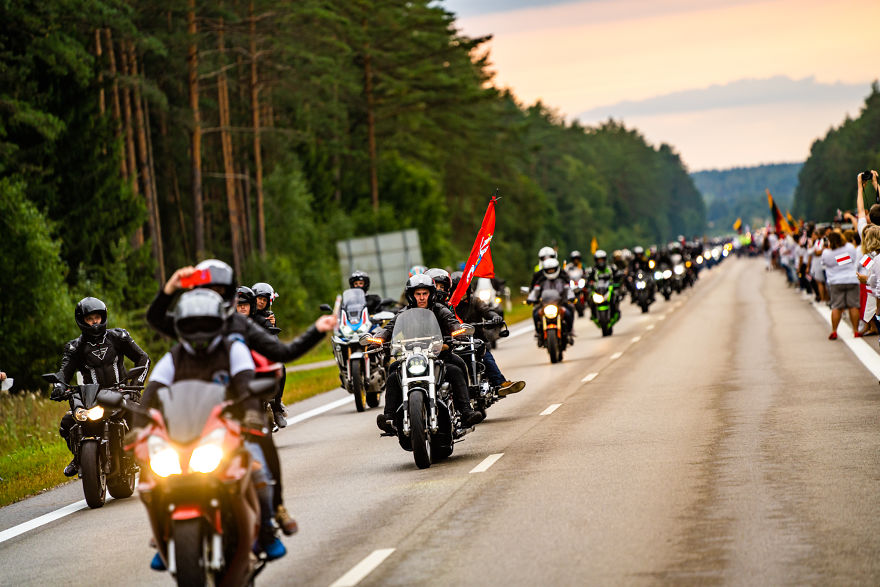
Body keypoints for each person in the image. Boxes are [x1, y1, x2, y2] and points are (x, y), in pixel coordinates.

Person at [146, 259, 336, 537]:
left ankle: (276, 508)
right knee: (155, 473)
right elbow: (155, 321)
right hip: (188, 415)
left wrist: (317, 329)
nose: (212, 295)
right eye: (206, 289)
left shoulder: (238, 326)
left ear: (229, 293)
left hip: (238, 408)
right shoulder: (187, 324)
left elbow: (283, 352)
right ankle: (164, 531)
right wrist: (169, 288)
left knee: (262, 451)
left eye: (219, 290)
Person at [138, 289, 284, 567]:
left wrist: (252, 414)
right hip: (182, 431)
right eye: (192, 325)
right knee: (151, 475)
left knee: (258, 470)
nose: (199, 331)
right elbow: (151, 394)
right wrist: (137, 427)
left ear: (219, 323)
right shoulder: (174, 357)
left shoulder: (233, 350)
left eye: (205, 323)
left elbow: (246, 386)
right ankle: (163, 536)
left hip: (229, 430)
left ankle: (266, 531)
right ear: (181, 327)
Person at [372, 274, 484, 434]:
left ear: (431, 294)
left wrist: (458, 332)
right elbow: (389, 328)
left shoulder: (440, 310)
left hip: (439, 355)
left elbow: (452, 323)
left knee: (457, 368)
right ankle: (390, 418)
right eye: (418, 294)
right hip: (411, 357)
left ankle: (466, 411)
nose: (422, 297)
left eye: (425, 293)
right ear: (411, 295)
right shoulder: (404, 313)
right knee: (393, 373)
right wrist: (379, 338)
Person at [51, 297, 150, 477]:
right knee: (67, 422)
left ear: (103, 317)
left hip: (121, 391)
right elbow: (63, 373)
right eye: (90, 319)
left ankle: (143, 456)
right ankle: (79, 457)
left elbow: (143, 358)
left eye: (97, 317)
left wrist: (136, 384)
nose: (94, 322)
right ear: (81, 321)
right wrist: (59, 386)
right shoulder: (74, 347)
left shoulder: (119, 337)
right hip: (92, 396)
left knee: (138, 414)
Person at [436, 269, 525, 397]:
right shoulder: (447, 306)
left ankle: (500, 383)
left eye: (463, 289)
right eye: (457, 290)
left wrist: (495, 317)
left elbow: (487, 311)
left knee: (486, 356)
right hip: (454, 342)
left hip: (475, 339)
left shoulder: (475, 301)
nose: (461, 293)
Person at [251, 282, 288, 427]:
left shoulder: (269, 316)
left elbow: (273, 337)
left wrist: (272, 324)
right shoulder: (247, 314)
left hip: (263, 354)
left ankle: (277, 406)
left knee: (280, 367)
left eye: (264, 300)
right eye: (259, 298)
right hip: (249, 354)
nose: (261, 302)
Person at [821, 231, 860, 339]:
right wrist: (843, 260)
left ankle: (834, 331)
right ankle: (856, 331)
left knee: (837, 307)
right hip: (851, 279)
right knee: (853, 306)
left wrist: (836, 262)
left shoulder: (826, 253)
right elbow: (853, 259)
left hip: (835, 281)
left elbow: (824, 263)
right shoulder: (849, 247)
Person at [527, 258, 575, 345]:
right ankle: (538, 333)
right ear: (545, 270)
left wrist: (571, 297)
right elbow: (535, 291)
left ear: (556, 269)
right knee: (535, 313)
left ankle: (569, 332)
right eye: (548, 270)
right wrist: (530, 299)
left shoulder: (562, 279)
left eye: (552, 270)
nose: (551, 271)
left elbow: (568, 289)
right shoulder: (541, 280)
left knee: (569, 312)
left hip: (560, 304)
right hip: (545, 305)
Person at [586, 250, 622, 320]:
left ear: (605, 260)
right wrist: (588, 284)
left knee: (616, 296)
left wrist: (618, 279)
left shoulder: (611, 268)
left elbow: (618, 275)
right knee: (590, 298)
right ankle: (593, 313)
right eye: (599, 260)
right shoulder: (593, 270)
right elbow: (587, 278)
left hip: (609, 289)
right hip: (598, 290)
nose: (600, 262)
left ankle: (616, 311)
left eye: (602, 259)